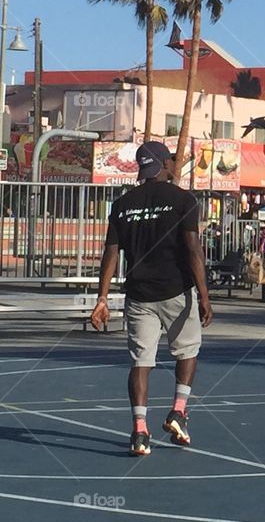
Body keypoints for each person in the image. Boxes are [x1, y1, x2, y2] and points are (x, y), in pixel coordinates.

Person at [89, 141, 213, 457]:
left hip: (139, 295)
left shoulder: (122, 204)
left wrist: (102, 298)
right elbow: (192, 250)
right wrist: (204, 294)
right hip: (176, 290)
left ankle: (139, 432)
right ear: (161, 164)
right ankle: (178, 411)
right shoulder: (183, 200)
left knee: (141, 363)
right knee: (187, 350)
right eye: (170, 159)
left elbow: (111, 253)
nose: (174, 163)